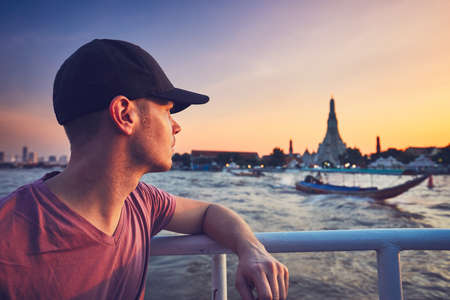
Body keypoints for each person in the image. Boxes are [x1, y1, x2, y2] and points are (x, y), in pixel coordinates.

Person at [0, 39, 288, 300]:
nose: (177, 126)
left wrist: (251, 248)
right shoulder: (7, 238)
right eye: (166, 110)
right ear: (125, 115)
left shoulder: (140, 202)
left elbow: (210, 212)